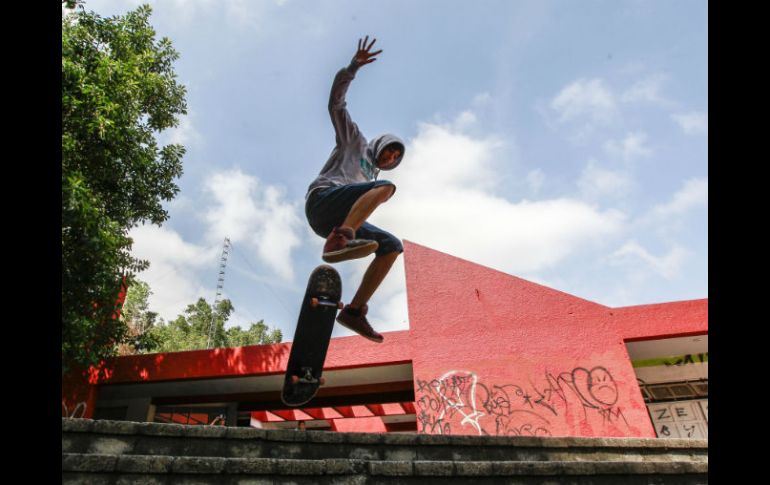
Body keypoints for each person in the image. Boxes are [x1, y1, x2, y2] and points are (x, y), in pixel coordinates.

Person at [305, 36, 405, 344]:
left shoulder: (371, 176)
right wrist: (353, 67)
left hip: (334, 221)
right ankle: (343, 237)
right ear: (379, 144)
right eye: (388, 151)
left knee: (391, 245)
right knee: (385, 188)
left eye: (393, 159)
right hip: (323, 201)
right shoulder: (355, 141)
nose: (388, 158)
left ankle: (355, 311)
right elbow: (336, 104)